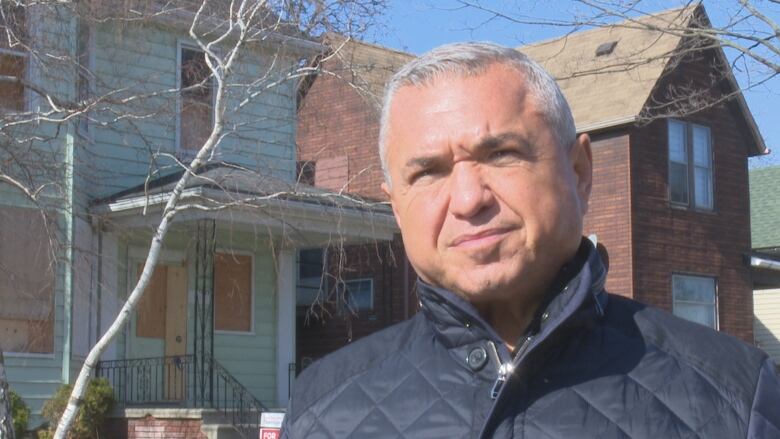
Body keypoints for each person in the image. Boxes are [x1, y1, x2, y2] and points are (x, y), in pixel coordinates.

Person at [281, 42, 780, 438]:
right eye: (428, 173)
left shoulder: (734, 395)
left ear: (580, 172)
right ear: (395, 205)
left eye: (501, 154)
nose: (468, 199)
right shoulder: (320, 408)